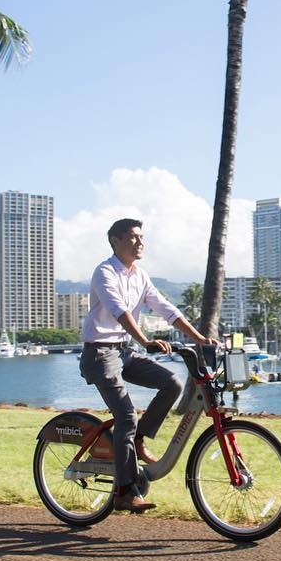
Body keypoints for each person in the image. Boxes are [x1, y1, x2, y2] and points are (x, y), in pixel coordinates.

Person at [79, 218, 216, 514]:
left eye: (142, 237)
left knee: (172, 384)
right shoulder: (105, 272)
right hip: (100, 354)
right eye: (132, 237)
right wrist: (144, 340)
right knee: (126, 414)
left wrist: (201, 338)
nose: (140, 242)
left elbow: (166, 309)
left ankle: (138, 441)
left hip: (123, 351)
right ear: (115, 241)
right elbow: (120, 311)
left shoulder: (139, 275)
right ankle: (126, 492)